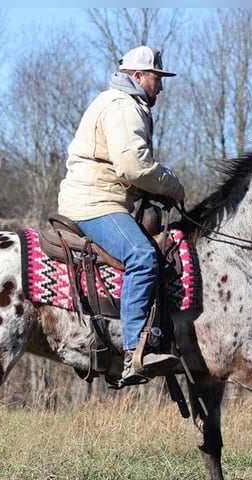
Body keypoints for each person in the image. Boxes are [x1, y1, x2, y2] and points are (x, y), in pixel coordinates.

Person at [58, 45, 185, 386]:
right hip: (95, 203)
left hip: (101, 199)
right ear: (138, 76)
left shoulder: (123, 104)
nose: (160, 86)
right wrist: (171, 186)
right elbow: (133, 165)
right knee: (142, 256)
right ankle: (133, 352)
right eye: (157, 78)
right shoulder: (122, 106)